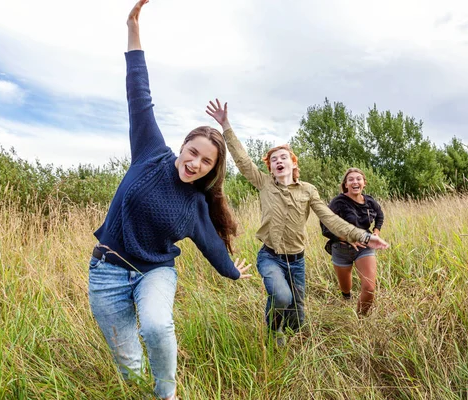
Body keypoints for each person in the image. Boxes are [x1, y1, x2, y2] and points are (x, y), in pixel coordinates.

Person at [88, 2, 251, 399]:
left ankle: (168, 394)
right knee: (129, 366)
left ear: (213, 169)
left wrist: (232, 271)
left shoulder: (196, 206)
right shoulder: (149, 152)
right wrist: (133, 30)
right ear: (181, 147)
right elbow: (138, 92)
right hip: (106, 272)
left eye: (206, 161)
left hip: (155, 273)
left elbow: (212, 247)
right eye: (191, 152)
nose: (194, 163)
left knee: (158, 326)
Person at [206, 100, 389, 344]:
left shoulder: (308, 191)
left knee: (298, 318)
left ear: (294, 163)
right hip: (270, 256)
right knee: (281, 296)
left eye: (283, 157)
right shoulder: (264, 183)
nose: (278, 161)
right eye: (273, 159)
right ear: (270, 168)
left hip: (297, 260)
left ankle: (293, 337)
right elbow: (241, 159)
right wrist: (226, 125)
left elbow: (330, 219)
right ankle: (273, 330)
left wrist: (365, 236)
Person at [321, 167, 384, 315]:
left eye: (358, 179)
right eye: (351, 179)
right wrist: (347, 239)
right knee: (345, 289)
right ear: (346, 184)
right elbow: (325, 227)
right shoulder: (338, 202)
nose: (355, 182)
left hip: (365, 246)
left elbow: (380, 216)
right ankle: (346, 299)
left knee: (369, 288)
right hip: (341, 248)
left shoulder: (370, 201)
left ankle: (360, 319)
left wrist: (375, 233)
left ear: (364, 183)